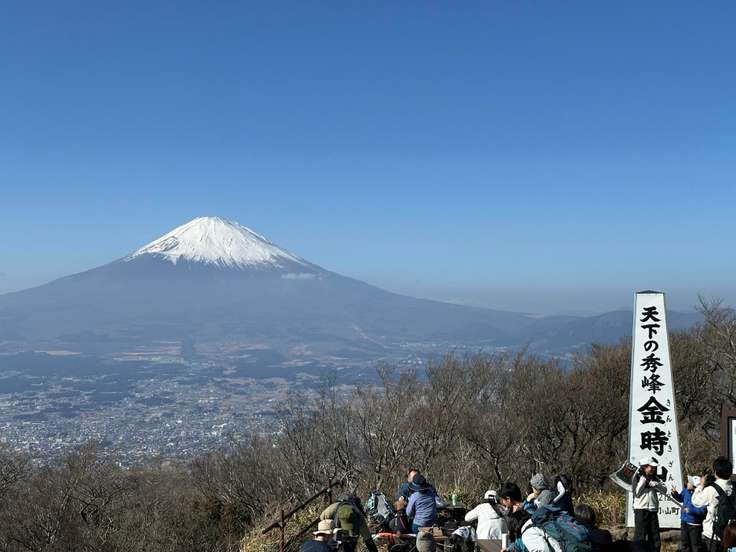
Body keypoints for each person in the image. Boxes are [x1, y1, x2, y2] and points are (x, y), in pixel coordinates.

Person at [691, 456, 735, 552]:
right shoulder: (734, 486)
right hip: (731, 534)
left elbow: (696, 501)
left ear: (715, 472)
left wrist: (700, 485)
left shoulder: (711, 489)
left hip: (714, 534)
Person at [632, 456, 667, 552]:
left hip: (652, 509)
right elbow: (636, 493)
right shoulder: (637, 476)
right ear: (645, 467)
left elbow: (664, 490)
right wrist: (643, 481)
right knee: (640, 535)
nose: (653, 469)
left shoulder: (655, 477)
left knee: (655, 536)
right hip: (641, 509)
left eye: (654, 467)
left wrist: (657, 484)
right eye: (651, 467)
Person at [671, 479, 707, 552]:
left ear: (694, 485)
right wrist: (675, 493)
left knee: (695, 544)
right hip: (684, 521)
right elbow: (680, 498)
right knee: (684, 542)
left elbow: (702, 511)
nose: (687, 483)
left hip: (694, 524)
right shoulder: (685, 490)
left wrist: (691, 510)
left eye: (689, 482)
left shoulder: (701, 494)